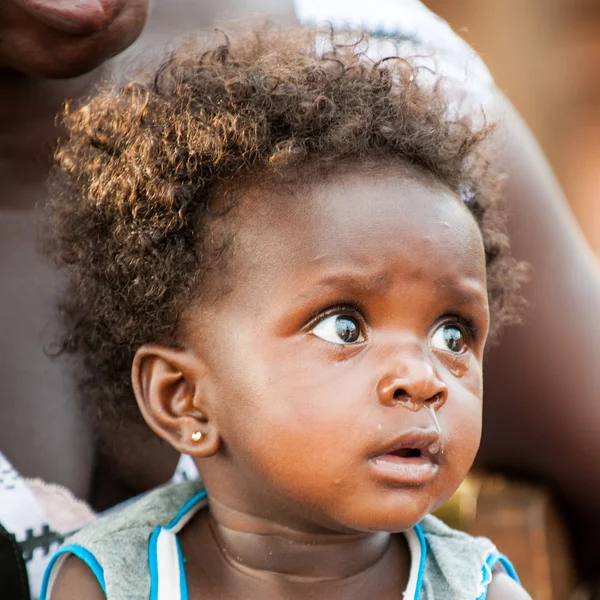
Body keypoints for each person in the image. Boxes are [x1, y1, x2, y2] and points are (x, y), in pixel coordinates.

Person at [2, 0, 600, 595]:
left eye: (453, 335)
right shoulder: (104, 584)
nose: (423, 379)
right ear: (183, 397)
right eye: (343, 328)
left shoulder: (475, 587)